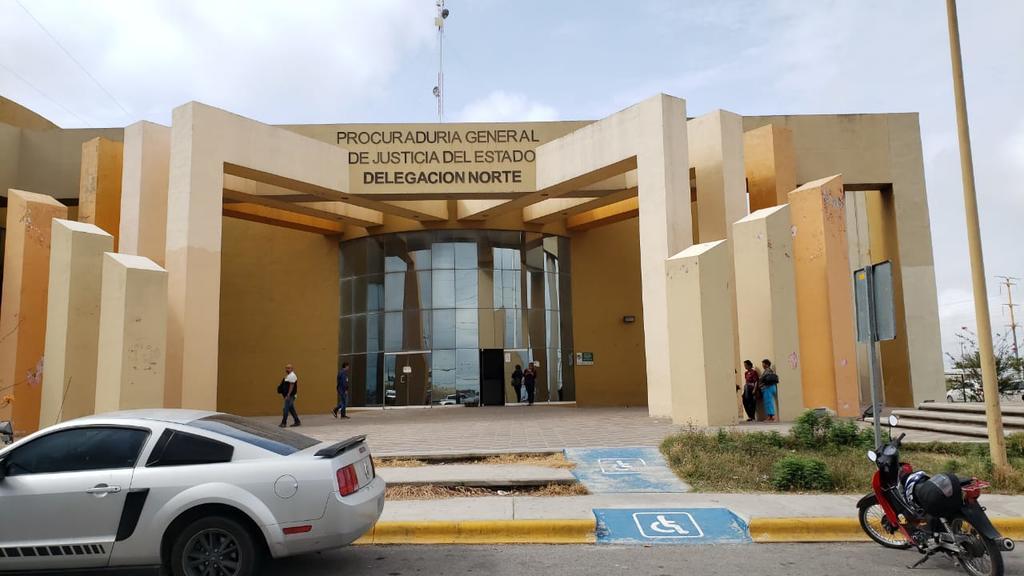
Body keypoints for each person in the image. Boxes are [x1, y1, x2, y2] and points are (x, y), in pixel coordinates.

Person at [279, 364, 301, 428]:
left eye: (289, 368)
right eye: (286, 368)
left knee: (285, 409)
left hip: (290, 395)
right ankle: (297, 421)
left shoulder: (292, 375)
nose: (287, 369)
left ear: (292, 369)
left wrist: (288, 394)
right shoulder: (288, 376)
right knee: (291, 408)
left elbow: (291, 386)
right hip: (289, 395)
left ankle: (283, 423)